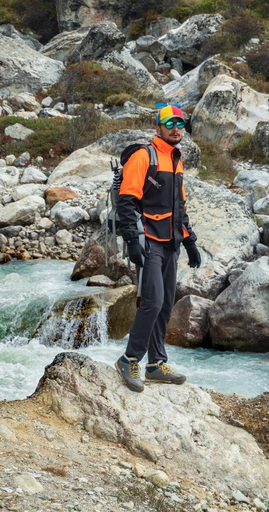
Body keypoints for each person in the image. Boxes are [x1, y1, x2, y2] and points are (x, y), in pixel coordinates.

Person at [114, 104, 202, 392]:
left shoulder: (176, 159)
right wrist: (132, 242)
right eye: (170, 124)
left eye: (180, 124)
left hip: (172, 243)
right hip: (148, 241)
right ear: (158, 128)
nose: (176, 128)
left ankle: (155, 364)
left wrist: (189, 242)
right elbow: (127, 202)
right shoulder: (144, 156)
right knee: (151, 301)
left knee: (165, 304)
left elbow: (180, 207)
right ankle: (129, 359)